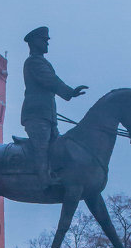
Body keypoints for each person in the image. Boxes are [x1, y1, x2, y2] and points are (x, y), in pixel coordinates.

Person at [21, 26, 87, 190]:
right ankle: (45, 180)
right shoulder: (34, 62)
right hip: (36, 115)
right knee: (42, 146)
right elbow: (50, 80)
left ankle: (58, 174)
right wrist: (69, 92)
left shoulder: (41, 61)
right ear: (35, 42)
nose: (47, 44)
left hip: (47, 115)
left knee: (57, 147)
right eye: (44, 41)